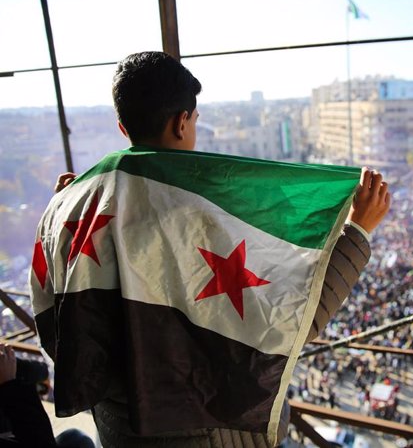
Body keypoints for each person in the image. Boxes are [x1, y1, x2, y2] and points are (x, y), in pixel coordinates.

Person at [32, 51, 390, 447]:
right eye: (196, 120)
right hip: (206, 433)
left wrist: (65, 206)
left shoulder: (69, 208)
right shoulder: (199, 215)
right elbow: (290, 323)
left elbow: (60, 330)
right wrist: (358, 230)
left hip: (118, 430)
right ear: (181, 122)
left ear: (122, 125)